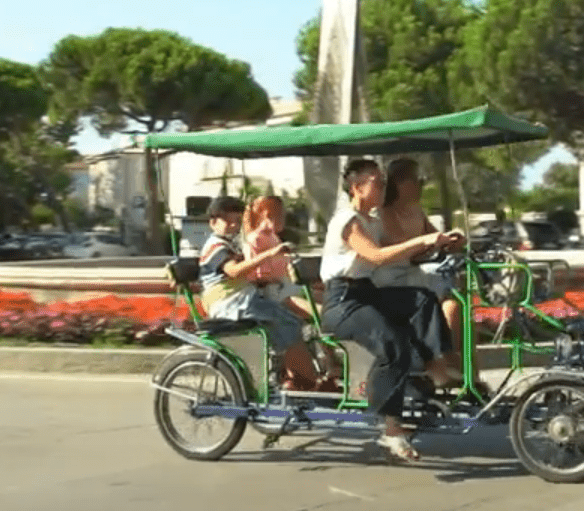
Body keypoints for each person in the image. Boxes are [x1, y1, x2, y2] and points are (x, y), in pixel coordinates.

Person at [319, 157, 466, 462]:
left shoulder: (372, 219)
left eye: (384, 180)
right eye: (377, 181)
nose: (384, 186)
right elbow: (376, 256)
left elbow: (402, 252)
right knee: (393, 344)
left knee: (421, 299)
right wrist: (423, 238)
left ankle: (435, 368)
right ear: (357, 187)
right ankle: (391, 428)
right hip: (343, 302)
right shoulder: (346, 220)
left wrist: (439, 243)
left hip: (366, 294)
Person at [197, 195, 318, 390]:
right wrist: (268, 255)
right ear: (213, 222)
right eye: (227, 221)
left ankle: (295, 377)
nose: (233, 226)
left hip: (244, 298)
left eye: (236, 221)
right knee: (290, 323)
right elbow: (234, 271)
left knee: (291, 321)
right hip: (230, 302)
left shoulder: (229, 244)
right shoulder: (215, 246)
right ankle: (304, 382)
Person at [374, 158, 472, 379]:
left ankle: (467, 372)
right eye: (417, 180)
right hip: (394, 277)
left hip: (415, 273)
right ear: (399, 184)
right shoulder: (385, 212)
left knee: (460, 307)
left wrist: (452, 241)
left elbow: (432, 237)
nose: (422, 185)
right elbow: (402, 246)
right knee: (452, 306)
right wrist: (429, 243)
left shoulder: (416, 210)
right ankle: (446, 365)